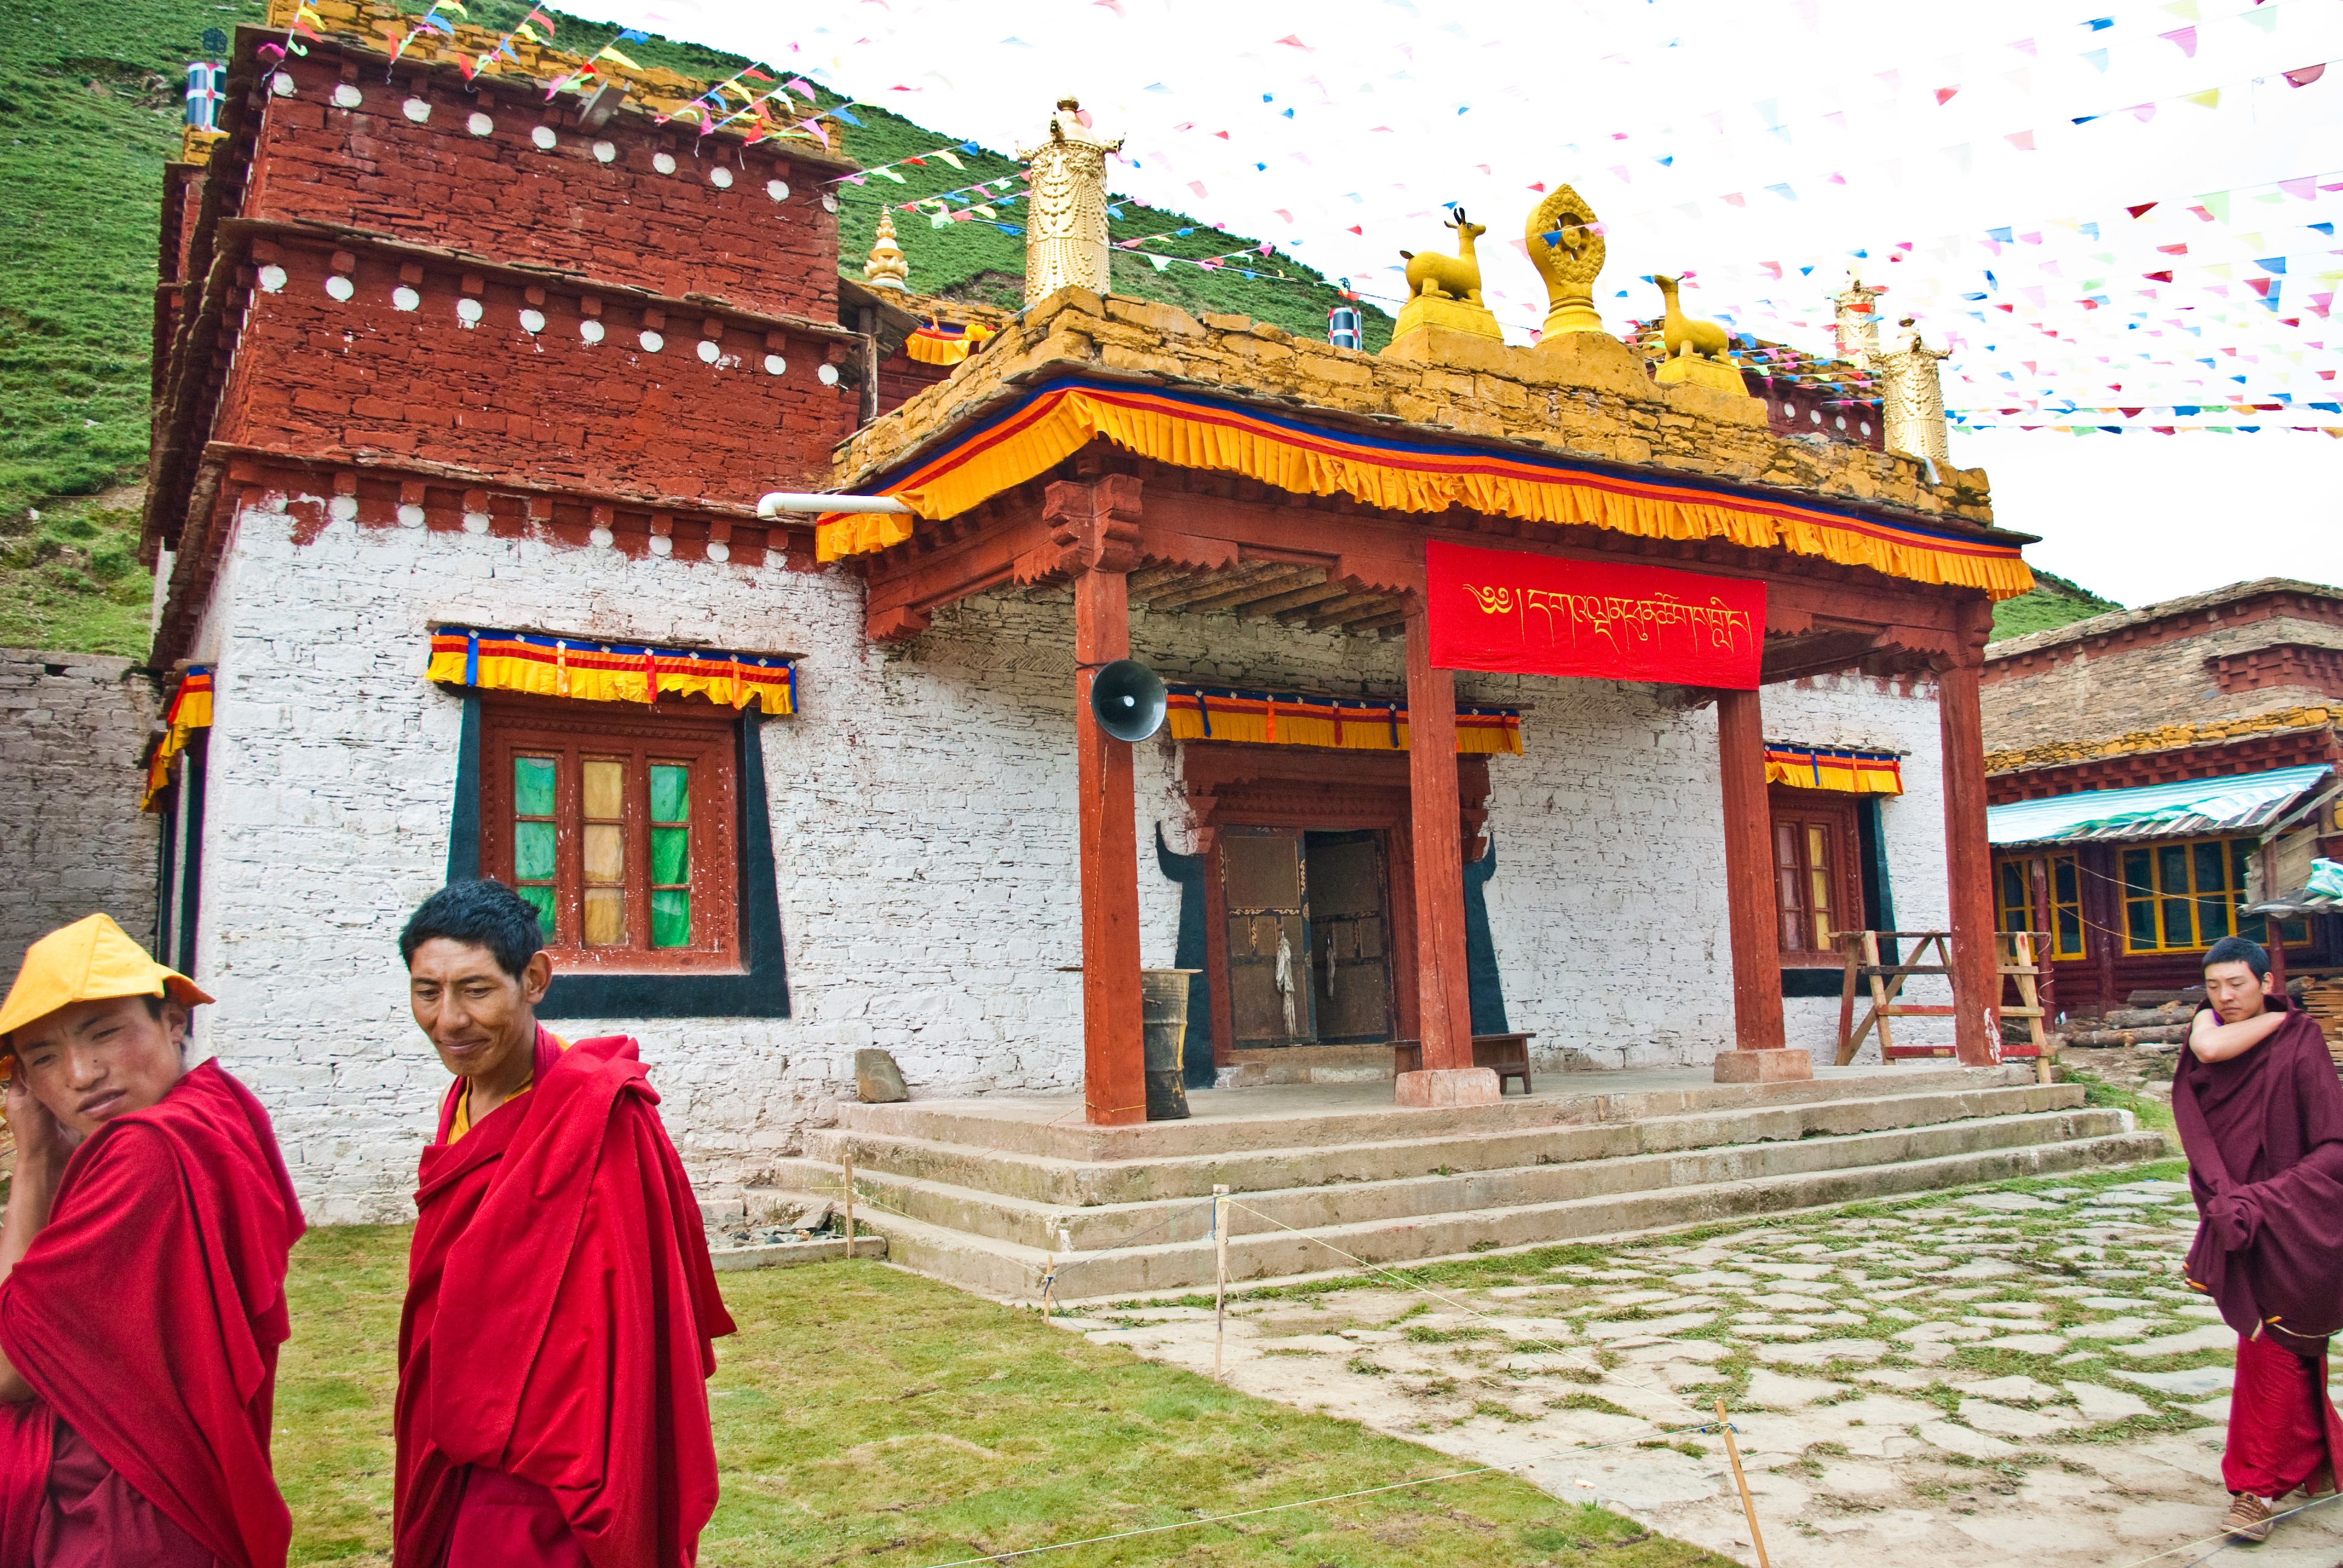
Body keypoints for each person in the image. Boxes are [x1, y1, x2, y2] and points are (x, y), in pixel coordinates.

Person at [393, 880, 735, 1568]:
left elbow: (632, 1316)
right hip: (453, 1435)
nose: (450, 1021)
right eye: (427, 992)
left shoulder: (598, 1116)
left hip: (554, 1469)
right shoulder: (462, 1101)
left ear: (535, 979)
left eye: (476, 990)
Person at [0, 913, 304, 1567]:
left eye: (105, 1033)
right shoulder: (222, 1109)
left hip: (122, 1512)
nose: (82, 1074)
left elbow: (8, 1370)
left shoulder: (146, 1154)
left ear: (173, 1021)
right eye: (43, 1058)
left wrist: (31, 1164)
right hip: (179, 1484)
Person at [2172, 934, 2343, 1544]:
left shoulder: (2300, 1040)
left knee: (2276, 1344)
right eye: (2213, 986)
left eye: (2236, 985)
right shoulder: (2209, 1034)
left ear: (2266, 982)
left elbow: (2334, 1146)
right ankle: (2298, 1465)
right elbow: (2200, 1125)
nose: (2224, 996)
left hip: (2295, 1215)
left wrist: (2267, 1199)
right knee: (2282, 1346)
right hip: (2234, 1219)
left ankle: (2253, 1490)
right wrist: (2231, 1201)